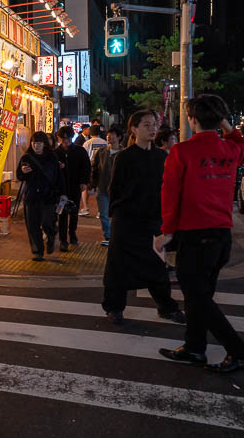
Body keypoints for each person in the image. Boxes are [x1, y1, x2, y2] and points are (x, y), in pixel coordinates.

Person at [157, 95, 244, 373]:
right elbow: (241, 141)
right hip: (221, 236)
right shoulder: (229, 149)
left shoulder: (181, 153)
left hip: (194, 236)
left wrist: (165, 232)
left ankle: (237, 350)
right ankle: (194, 348)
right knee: (200, 295)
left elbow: (170, 196)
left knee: (197, 297)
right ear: (218, 121)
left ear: (192, 120)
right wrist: (226, 125)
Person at [102, 109, 184, 325]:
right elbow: (115, 189)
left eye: (154, 124)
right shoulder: (124, 157)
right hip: (127, 220)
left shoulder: (161, 157)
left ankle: (166, 307)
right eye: (146, 125)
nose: (152, 128)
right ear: (134, 129)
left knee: (157, 266)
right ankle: (114, 308)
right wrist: (115, 216)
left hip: (152, 220)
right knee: (118, 266)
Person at [16, 131, 66, 261]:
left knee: (47, 222)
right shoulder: (26, 158)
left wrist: (62, 193)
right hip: (31, 196)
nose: (35, 145)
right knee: (32, 225)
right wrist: (23, 172)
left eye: (38, 143)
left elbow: (59, 177)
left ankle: (50, 236)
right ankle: (37, 251)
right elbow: (19, 176)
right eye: (33, 142)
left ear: (44, 144)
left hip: (48, 196)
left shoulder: (52, 158)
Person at [54, 126, 91, 251]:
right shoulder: (56, 153)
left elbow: (86, 167)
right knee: (62, 213)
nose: (66, 141)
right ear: (59, 138)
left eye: (68, 138)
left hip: (75, 186)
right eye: (63, 138)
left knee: (74, 211)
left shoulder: (80, 151)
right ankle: (63, 239)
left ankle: (72, 233)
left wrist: (84, 181)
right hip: (61, 188)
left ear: (71, 137)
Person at [91, 125, 123, 246]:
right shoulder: (102, 152)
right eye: (108, 135)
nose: (109, 137)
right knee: (103, 214)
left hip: (118, 190)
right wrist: (93, 182)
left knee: (116, 215)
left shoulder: (123, 153)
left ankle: (116, 236)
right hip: (102, 186)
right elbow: (94, 167)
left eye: (113, 135)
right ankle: (108, 237)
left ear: (119, 137)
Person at [80, 125, 108, 216]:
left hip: (90, 167)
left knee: (85, 187)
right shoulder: (105, 142)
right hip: (102, 168)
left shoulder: (87, 143)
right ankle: (100, 211)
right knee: (100, 189)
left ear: (90, 133)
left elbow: (83, 156)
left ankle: (85, 208)